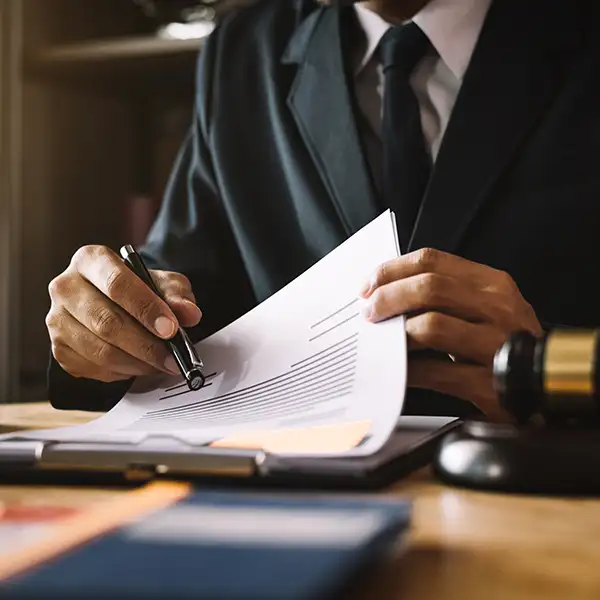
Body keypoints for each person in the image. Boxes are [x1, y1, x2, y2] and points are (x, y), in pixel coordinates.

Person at [45, 0, 600, 421]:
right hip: (302, 502)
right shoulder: (243, 51)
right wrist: (103, 324)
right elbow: (181, 301)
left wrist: (552, 369)